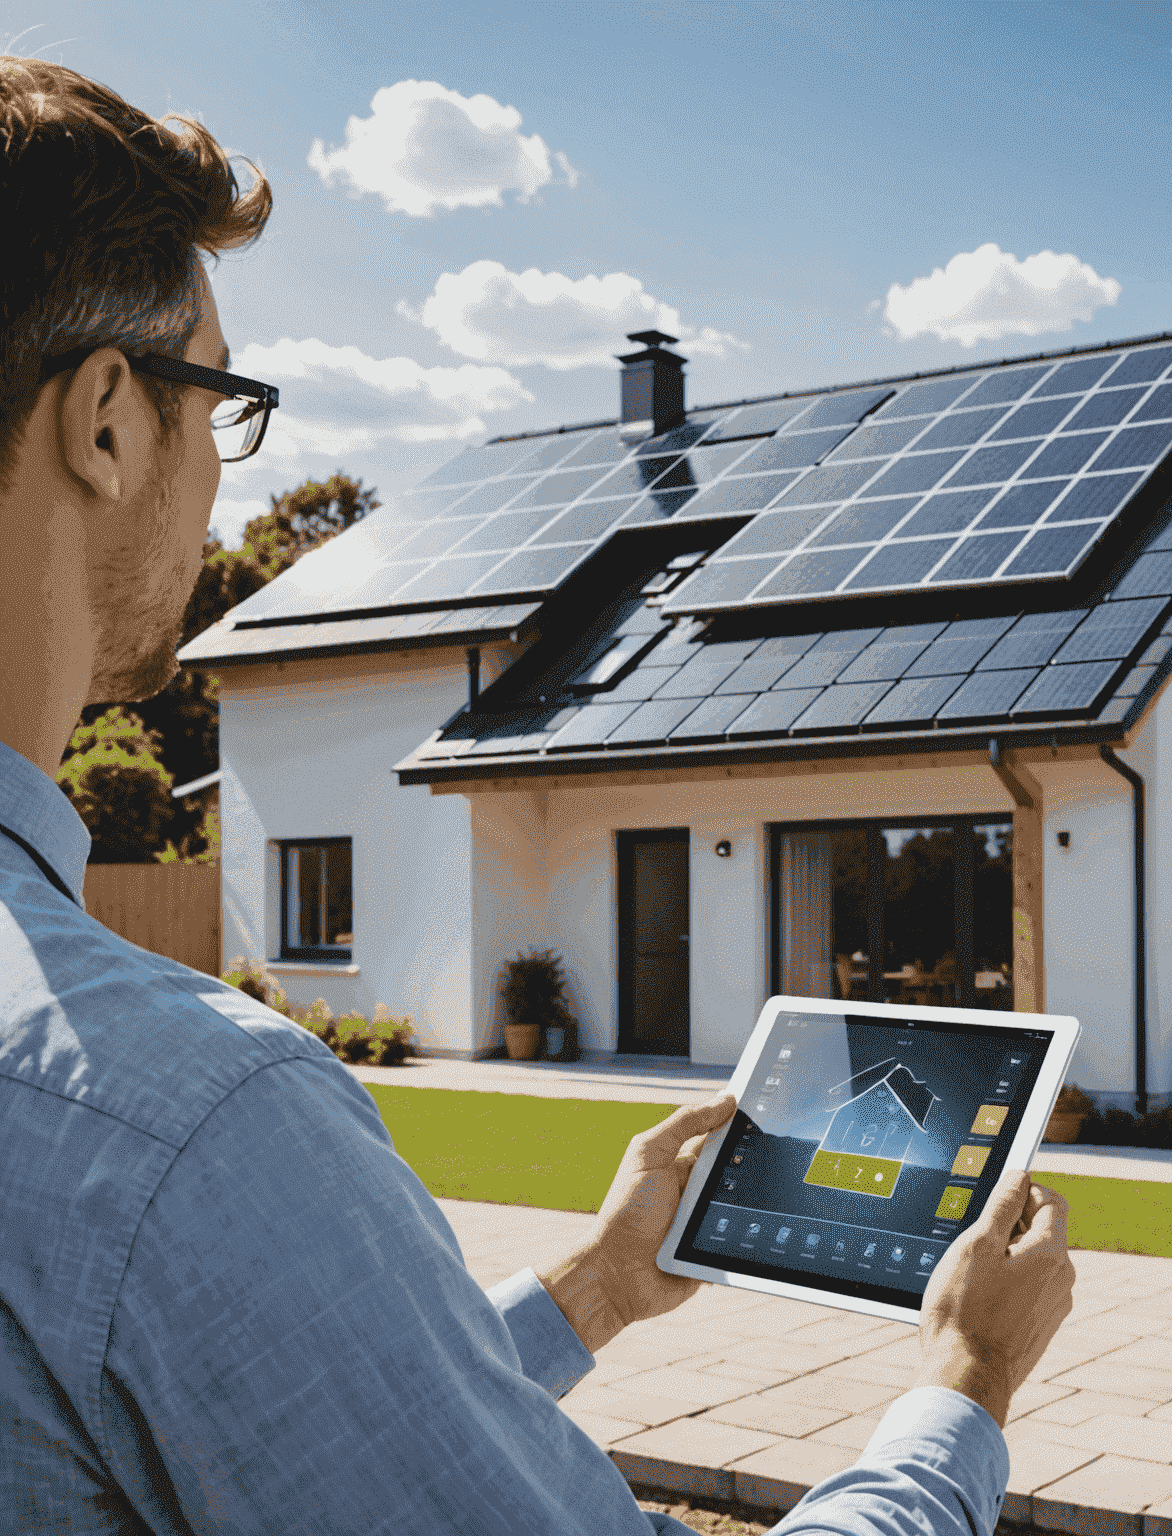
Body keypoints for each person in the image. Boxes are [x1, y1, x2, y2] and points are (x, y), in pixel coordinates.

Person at [0, 58, 1075, 1534]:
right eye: (221, 399)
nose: (224, 481)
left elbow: (308, 1427)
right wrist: (963, 1389)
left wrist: (599, 1287)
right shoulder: (192, 1128)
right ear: (111, 420)